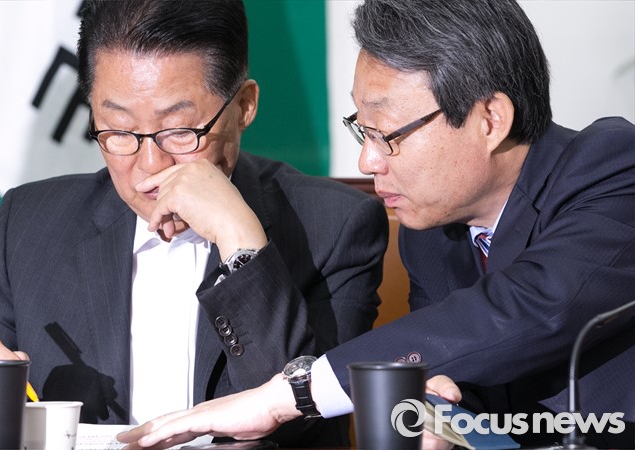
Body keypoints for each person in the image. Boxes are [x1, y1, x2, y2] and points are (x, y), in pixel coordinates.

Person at [116, 0, 635, 449]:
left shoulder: (615, 168)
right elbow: (455, 370)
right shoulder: (430, 231)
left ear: (490, 119)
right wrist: (445, 413)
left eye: (385, 133)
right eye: (360, 129)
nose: (368, 161)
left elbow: (529, 308)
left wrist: (286, 396)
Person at [0, 0, 390, 447]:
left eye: (179, 131)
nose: (150, 165)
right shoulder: (32, 223)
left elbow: (303, 427)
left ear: (244, 106)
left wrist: (241, 242)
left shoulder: (333, 228)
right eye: (118, 131)